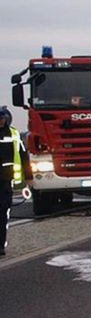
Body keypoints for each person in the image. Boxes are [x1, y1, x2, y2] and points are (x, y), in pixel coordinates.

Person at [0, 106, 30, 257]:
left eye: (2, 119)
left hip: (6, 180)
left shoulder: (14, 134)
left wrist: (28, 177)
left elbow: (23, 156)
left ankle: (0, 246)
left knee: (3, 214)